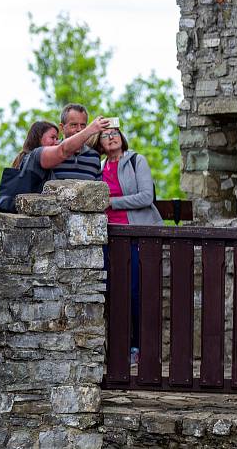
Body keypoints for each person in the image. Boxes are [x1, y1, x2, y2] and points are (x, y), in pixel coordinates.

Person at [94, 123, 162, 365]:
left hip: (134, 236)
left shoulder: (136, 161)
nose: (111, 137)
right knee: (111, 291)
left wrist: (113, 202)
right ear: (99, 144)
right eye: (105, 135)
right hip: (108, 237)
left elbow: (146, 197)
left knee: (135, 292)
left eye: (114, 133)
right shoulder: (100, 168)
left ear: (121, 137)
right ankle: (115, 348)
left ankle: (137, 346)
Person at [0, 116, 112, 212]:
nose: (56, 142)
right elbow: (62, 151)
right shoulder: (37, 154)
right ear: (38, 138)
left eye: (57, 138)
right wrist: (91, 130)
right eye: (52, 138)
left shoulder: (30, 158)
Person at [52, 103, 103, 181]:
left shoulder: (94, 156)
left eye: (83, 125)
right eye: (74, 125)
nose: (79, 129)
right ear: (62, 128)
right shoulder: (51, 151)